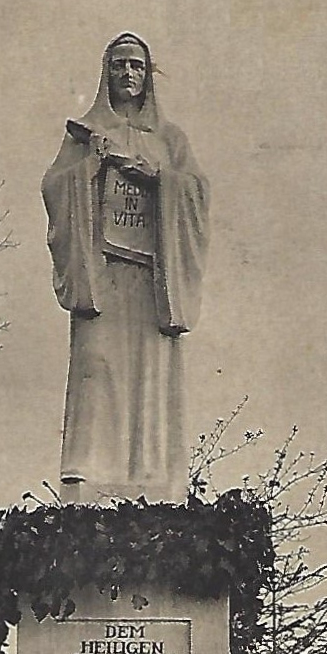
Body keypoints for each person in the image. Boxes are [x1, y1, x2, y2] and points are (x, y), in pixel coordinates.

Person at [42, 32, 210, 504]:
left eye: (136, 66)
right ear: (106, 73)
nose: (128, 75)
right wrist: (91, 167)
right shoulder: (85, 132)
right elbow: (55, 187)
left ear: (148, 75)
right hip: (104, 275)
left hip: (154, 279)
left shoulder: (170, 140)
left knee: (149, 376)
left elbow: (196, 193)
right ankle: (90, 473)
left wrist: (155, 177)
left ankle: (150, 475)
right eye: (119, 66)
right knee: (98, 367)